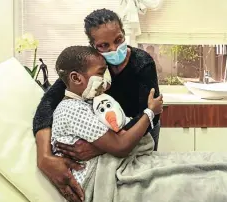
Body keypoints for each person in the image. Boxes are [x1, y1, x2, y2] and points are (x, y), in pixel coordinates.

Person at [33, 9, 161, 202]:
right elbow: (47, 105)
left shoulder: (142, 63)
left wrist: (100, 147)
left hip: (137, 131)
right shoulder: (91, 65)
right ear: (93, 46)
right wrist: (44, 157)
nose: (114, 48)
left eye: (119, 40)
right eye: (104, 45)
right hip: (108, 137)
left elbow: (150, 112)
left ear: (123, 32)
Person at [51, 45, 163, 190]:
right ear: (76, 78)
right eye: (101, 73)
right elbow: (120, 146)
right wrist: (150, 112)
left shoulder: (91, 102)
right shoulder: (71, 110)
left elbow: (121, 130)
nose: (107, 80)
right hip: (93, 181)